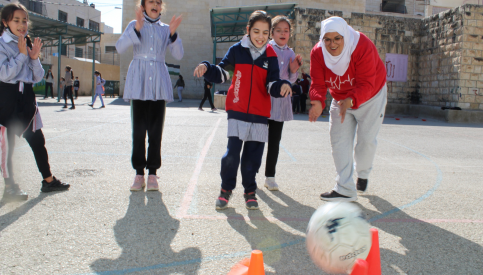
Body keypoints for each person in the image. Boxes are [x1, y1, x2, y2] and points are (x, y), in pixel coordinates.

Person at [193, 10, 292, 210]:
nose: (260, 36)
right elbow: (223, 73)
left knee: (252, 159)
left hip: (260, 115)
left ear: (270, 34)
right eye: (256, 31)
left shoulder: (271, 56)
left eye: (265, 33)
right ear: (248, 30)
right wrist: (207, 67)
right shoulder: (237, 51)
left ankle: (250, 191)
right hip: (237, 111)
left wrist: (280, 86)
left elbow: (271, 83)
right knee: (231, 155)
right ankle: (226, 189)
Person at [309, 17, 387, 202]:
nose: (332, 44)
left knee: (366, 141)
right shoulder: (318, 53)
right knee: (338, 141)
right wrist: (317, 101)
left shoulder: (362, 46)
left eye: (337, 38)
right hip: (340, 98)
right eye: (327, 39)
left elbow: (367, 82)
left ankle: (363, 173)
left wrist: (351, 100)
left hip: (371, 96)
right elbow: (317, 82)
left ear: (345, 36)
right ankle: (345, 188)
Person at [0, 3, 70, 201]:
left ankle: (48, 181)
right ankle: (10, 187)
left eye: (24, 20)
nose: (22, 24)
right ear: (5, 22)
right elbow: (4, 74)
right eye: (16, 20)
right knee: (8, 147)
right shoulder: (1, 44)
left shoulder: (27, 43)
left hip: (27, 100)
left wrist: (32, 57)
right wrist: (22, 56)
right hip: (6, 100)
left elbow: (38, 75)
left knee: (38, 141)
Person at [116, 0, 183, 191]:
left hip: (158, 84)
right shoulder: (134, 24)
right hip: (139, 81)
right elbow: (120, 47)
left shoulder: (165, 29)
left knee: (155, 131)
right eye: (151, 1)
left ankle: (152, 173)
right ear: (143, 5)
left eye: (158, 2)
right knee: (138, 131)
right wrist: (136, 28)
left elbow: (179, 55)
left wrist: (173, 34)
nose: (155, 4)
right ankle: (139, 174)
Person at [264, 15, 301, 191]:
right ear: (272, 32)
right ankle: (250, 174)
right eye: (278, 30)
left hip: (280, 104)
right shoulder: (265, 49)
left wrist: (293, 71)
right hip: (264, 101)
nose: (282, 33)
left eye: (286, 30)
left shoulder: (290, 53)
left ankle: (270, 176)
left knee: (274, 141)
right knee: (256, 140)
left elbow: (292, 80)